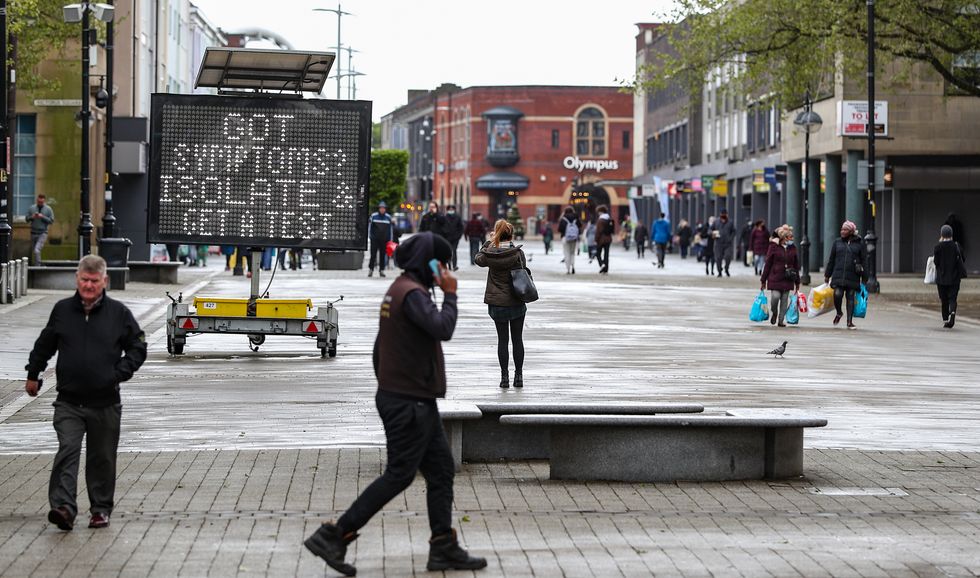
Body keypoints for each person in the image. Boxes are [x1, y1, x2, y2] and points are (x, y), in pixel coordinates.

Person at [303, 232, 486, 576]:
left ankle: (443, 546)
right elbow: (443, 328)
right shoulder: (413, 294)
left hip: (411, 399)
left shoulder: (398, 288)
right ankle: (334, 536)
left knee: (441, 471)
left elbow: (379, 347)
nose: (444, 269)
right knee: (400, 474)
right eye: (441, 262)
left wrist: (392, 383)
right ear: (428, 261)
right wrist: (451, 294)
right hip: (409, 403)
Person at [25, 255, 147, 532]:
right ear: (77, 279)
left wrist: (117, 374)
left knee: (101, 457)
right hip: (69, 400)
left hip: (105, 402)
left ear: (104, 281)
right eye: (84, 280)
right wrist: (33, 374)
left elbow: (138, 348)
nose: (89, 285)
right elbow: (44, 345)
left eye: (94, 281)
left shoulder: (119, 314)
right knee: (67, 451)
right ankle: (64, 508)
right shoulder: (62, 310)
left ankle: (100, 509)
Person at [476, 220, 529, 389]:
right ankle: (519, 376)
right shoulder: (517, 253)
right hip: (516, 301)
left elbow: (478, 258)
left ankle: (504, 378)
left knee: (502, 340)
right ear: (511, 234)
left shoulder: (490, 253)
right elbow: (524, 268)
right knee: (517, 339)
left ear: (497, 234)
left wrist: (489, 242)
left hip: (497, 302)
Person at [825, 220, 868, 329]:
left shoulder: (859, 244)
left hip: (853, 275)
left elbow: (864, 261)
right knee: (837, 294)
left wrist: (865, 278)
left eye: (845, 230)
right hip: (838, 274)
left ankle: (849, 322)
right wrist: (827, 275)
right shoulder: (837, 242)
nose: (842, 231)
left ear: (851, 231)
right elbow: (831, 260)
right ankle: (839, 312)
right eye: (842, 229)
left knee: (850, 297)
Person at [760, 226, 801, 327]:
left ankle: (781, 320)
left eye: (792, 237)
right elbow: (768, 263)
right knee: (775, 297)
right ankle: (774, 313)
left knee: (784, 300)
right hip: (775, 277)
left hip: (788, 278)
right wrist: (763, 280)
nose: (791, 239)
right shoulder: (773, 247)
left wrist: (797, 282)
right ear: (783, 238)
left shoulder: (793, 248)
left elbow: (796, 265)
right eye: (789, 237)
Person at [934, 224, 968, 328]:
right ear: (951, 234)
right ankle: (952, 313)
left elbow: (936, 262)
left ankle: (945, 318)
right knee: (953, 298)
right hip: (955, 278)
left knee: (944, 299)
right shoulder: (956, 246)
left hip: (942, 278)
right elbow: (963, 259)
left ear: (942, 234)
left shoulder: (938, 247)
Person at [26, 194, 55, 266]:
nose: (40, 203)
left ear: (44, 201)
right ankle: (37, 265)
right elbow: (27, 219)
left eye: (41, 202)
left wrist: (42, 217)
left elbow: (51, 221)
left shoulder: (48, 209)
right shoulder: (32, 208)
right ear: (37, 200)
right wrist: (32, 217)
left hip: (43, 233)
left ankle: (38, 267)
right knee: (35, 251)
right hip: (33, 232)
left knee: (36, 250)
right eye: (39, 202)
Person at [367, 201, 394, 277]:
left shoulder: (388, 217)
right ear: (379, 209)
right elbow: (370, 227)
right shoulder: (374, 216)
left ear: (385, 209)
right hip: (375, 239)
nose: (382, 209)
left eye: (383, 208)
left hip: (384, 240)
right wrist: (370, 236)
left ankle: (381, 270)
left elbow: (390, 229)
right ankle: (371, 269)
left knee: (383, 256)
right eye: (381, 208)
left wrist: (390, 240)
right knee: (373, 255)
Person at [711, 210, 737, 277]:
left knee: (728, 256)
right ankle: (719, 271)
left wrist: (730, 238)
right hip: (718, 243)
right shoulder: (716, 222)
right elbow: (710, 229)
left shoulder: (730, 222)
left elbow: (734, 231)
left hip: (727, 244)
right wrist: (712, 234)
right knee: (718, 258)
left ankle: (726, 268)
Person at [557, 206, 580, 274]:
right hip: (574, 238)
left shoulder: (563, 219)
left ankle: (568, 269)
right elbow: (580, 226)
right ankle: (573, 266)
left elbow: (559, 229)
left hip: (565, 238)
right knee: (572, 253)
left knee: (566, 253)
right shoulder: (576, 218)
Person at [443, 204, 464, 271]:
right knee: (448, 251)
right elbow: (442, 227)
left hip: (455, 238)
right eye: (450, 209)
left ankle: (454, 265)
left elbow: (461, 228)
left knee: (454, 251)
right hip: (447, 238)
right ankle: (449, 265)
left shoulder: (458, 217)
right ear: (448, 210)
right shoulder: (445, 217)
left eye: (452, 209)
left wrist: (458, 236)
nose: (451, 210)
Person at [594, 205, 614, 274]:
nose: (598, 213)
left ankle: (602, 264)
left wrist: (596, 239)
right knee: (606, 254)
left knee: (598, 253)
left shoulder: (600, 220)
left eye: (598, 212)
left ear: (601, 212)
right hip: (608, 239)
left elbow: (598, 231)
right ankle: (606, 269)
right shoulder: (609, 219)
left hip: (601, 240)